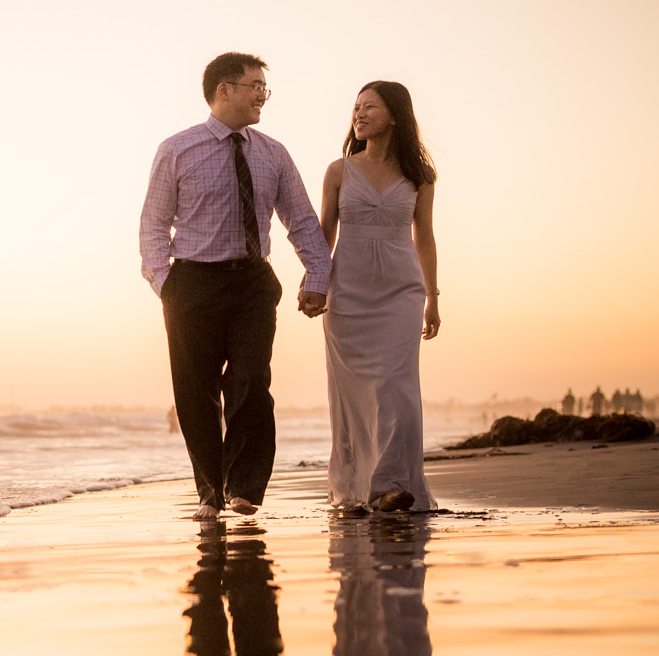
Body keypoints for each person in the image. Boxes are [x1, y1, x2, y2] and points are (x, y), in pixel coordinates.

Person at [142, 53, 332, 521]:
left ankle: (245, 490)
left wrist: (319, 275)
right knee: (196, 392)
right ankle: (210, 492)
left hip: (252, 281)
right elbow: (152, 226)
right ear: (223, 89)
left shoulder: (274, 153)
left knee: (250, 381)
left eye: (265, 88)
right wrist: (167, 285)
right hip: (191, 283)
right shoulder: (177, 149)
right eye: (255, 86)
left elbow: (302, 220)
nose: (262, 95)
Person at [311, 80, 439, 513]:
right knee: (353, 397)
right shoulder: (339, 171)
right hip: (347, 293)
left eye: (370, 107)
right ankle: (356, 487)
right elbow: (324, 233)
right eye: (356, 108)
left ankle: (392, 484)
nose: (359, 115)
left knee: (396, 387)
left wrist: (432, 297)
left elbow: (426, 238)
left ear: (395, 116)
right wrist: (314, 282)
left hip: (402, 292)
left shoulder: (419, 177)